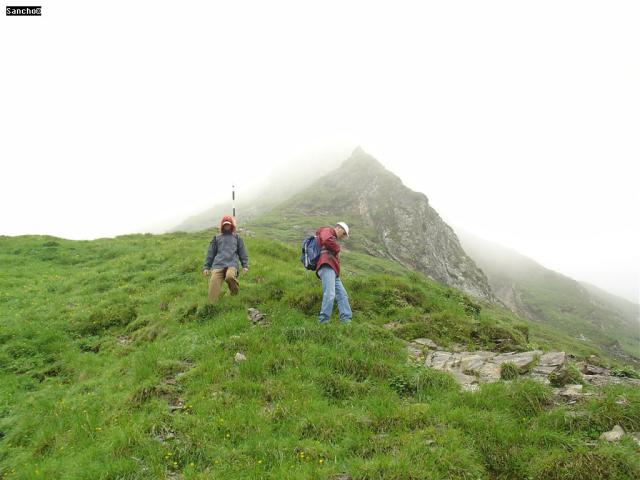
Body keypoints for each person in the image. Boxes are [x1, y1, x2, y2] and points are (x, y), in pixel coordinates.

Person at [202, 215, 249, 302]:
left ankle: (235, 294)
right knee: (212, 293)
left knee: (230, 277)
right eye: (225, 224)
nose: (227, 226)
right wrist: (206, 267)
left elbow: (242, 252)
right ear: (222, 225)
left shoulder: (237, 238)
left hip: (232, 264)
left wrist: (245, 266)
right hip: (218, 265)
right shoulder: (216, 238)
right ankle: (212, 306)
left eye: (228, 224)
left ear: (231, 225)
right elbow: (210, 253)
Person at [315, 221, 352, 324]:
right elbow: (326, 240)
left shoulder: (333, 237)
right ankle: (323, 322)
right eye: (344, 233)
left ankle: (346, 320)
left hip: (333, 270)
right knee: (330, 294)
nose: (343, 236)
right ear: (339, 228)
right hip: (327, 266)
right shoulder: (327, 230)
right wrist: (337, 248)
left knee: (342, 295)